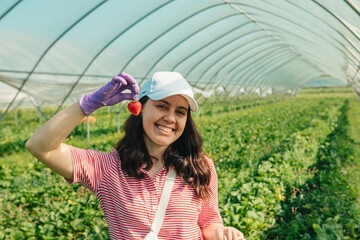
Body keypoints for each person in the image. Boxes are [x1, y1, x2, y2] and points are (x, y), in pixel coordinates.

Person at [26, 71, 245, 240]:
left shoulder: (201, 167)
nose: (170, 118)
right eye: (162, 106)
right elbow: (40, 146)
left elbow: (208, 222)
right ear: (139, 109)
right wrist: (88, 104)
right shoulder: (108, 168)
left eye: (180, 112)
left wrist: (221, 232)